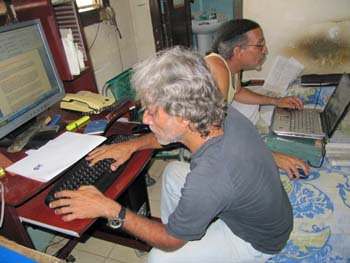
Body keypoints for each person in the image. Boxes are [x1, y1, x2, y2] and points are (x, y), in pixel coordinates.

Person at [50, 47, 293, 263]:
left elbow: (170, 241)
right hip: (266, 212)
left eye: (152, 113)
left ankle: (181, 237)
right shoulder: (219, 113)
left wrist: (110, 209)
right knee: (174, 173)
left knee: (161, 256)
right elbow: (173, 134)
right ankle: (184, 231)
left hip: (256, 240)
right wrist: (132, 145)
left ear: (184, 116)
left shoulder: (211, 176)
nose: (145, 120)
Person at [206, 18, 309, 178]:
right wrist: (271, 156)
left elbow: (238, 93)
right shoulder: (217, 68)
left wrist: (275, 101)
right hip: (203, 141)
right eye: (260, 45)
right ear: (238, 52)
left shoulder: (231, 67)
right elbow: (214, 133)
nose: (265, 50)